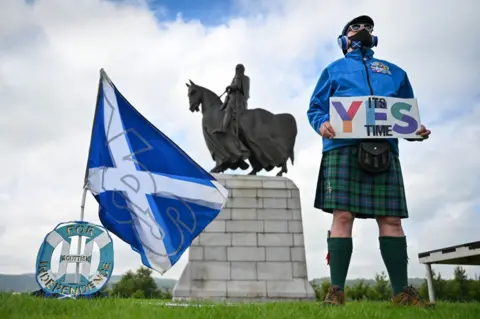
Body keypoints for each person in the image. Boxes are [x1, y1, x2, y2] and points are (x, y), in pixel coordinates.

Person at [307, 15, 433, 307]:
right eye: (355, 27)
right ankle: (336, 292)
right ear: (344, 38)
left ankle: (402, 293)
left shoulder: (394, 72)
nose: (363, 30)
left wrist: (416, 130)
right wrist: (322, 123)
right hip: (342, 148)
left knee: (391, 219)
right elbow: (315, 108)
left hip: (385, 148)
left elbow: (405, 115)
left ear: (373, 38)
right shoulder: (333, 70)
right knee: (342, 215)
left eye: (368, 28)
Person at [214, 64, 250, 135]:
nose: (236, 70)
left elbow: (238, 86)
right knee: (227, 99)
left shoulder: (238, 76)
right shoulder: (246, 78)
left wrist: (229, 86)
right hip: (242, 100)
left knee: (228, 110)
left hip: (237, 98)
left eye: (237, 69)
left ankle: (224, 128)